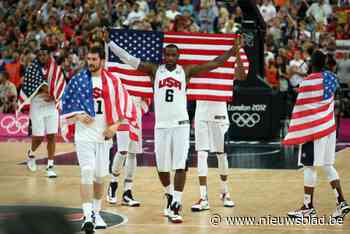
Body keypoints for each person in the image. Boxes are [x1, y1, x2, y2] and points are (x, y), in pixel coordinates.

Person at [108, 36, 245, 223]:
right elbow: (128, 59)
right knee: (162, 168)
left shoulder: (186, 71)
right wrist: (110, 43)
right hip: (161, 126)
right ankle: (169, 194)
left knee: (181, 165)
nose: (171, 57)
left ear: (178, 56)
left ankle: (176, 204)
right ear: (164, 55)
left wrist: (233, 50)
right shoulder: (155, 70)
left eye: (174, 55)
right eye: (168, 54)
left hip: (181, 125)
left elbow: (215, 63)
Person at [61, 45, 138, 233]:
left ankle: (96, 212)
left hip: (103, 137)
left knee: (99, 176)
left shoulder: (113, 81)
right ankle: (87, 216)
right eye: (89, 59)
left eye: (94, 59)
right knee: (87, 171)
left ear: (102, 60)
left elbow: (126, 107)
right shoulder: (78, 81)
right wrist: (77, 117)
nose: (91, 63)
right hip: (84, 136)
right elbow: (64, 110)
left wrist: (115, 126)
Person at [284, 51, 350, 219]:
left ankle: (308, 207)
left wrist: (294, 132)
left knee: (309, 166)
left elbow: (301, 106)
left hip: (313, 130)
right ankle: (341, 203)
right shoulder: (332, 78)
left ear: (311, 63)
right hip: (329, 128)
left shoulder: (307, 82)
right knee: (328, 166)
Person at [191, 41, 247, 212]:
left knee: (221, 154)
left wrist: (236, 52)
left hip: (219, 113)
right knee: (201, 154)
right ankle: (203, 196)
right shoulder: (201, 65)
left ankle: (225, 192)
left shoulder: (226, 63)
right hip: (201, 113)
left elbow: (242, 75)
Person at [24, 44, 64, 178]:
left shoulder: (56, 68)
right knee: (39, 137)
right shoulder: (32, 68)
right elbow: (39, 86)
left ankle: (50, 166)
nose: (42, 57)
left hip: (52, 104)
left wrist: (55, 95)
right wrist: (51, 92)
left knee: (52, 136)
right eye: (39, 55)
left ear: (49, 55)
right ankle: (31, 153)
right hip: (37, 104)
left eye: (44, 54)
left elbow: (61, 84)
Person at [107, 96, 150, 207]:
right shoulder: (119, 78)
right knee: (123, 150)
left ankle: (127, 192)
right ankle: (113, 183)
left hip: (136, 111)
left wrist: (142, 107)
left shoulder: (140, 78)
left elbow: (146, 94)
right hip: (122, 112)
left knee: (132, 153)